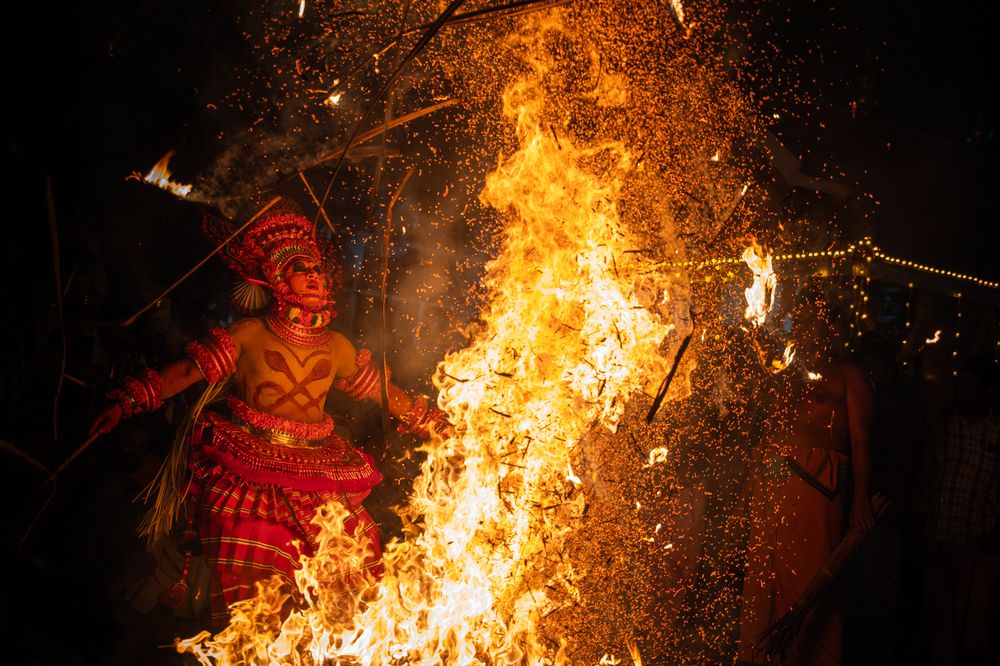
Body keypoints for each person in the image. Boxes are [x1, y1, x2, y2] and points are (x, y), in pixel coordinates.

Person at [90, 198, 446, 626]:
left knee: (350, 561)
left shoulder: (337, 346)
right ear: (277, 278)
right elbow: (187, 371)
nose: (313, 274)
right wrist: (127, 402)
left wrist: (433, 423)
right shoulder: (250, 332)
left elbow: (385, 393)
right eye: (301, 267)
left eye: (316, 268)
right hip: (246, 469)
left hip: (317, 475)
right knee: (254, 584)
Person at [736, 286, 875, 666]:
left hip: (818, 484)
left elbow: (862, 443)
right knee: (762, 582)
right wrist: (753, 475)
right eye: (803, 318)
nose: (810, 326)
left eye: (819, 318)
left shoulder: (848, 375)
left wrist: (860, 498)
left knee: (810, 583)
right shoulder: (783, 369)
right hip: (771, 481)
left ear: (832, 325)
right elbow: (763, 426)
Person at [914, 358, 999, 666]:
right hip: (939, 535)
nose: (964, 394)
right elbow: (926, 479)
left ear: (987, 392)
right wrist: (922, 526)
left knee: (973, 621)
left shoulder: (996, 432)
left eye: (972, 388)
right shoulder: (943, 428)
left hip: (979, 540)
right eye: (960, 387)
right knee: (940, 619)